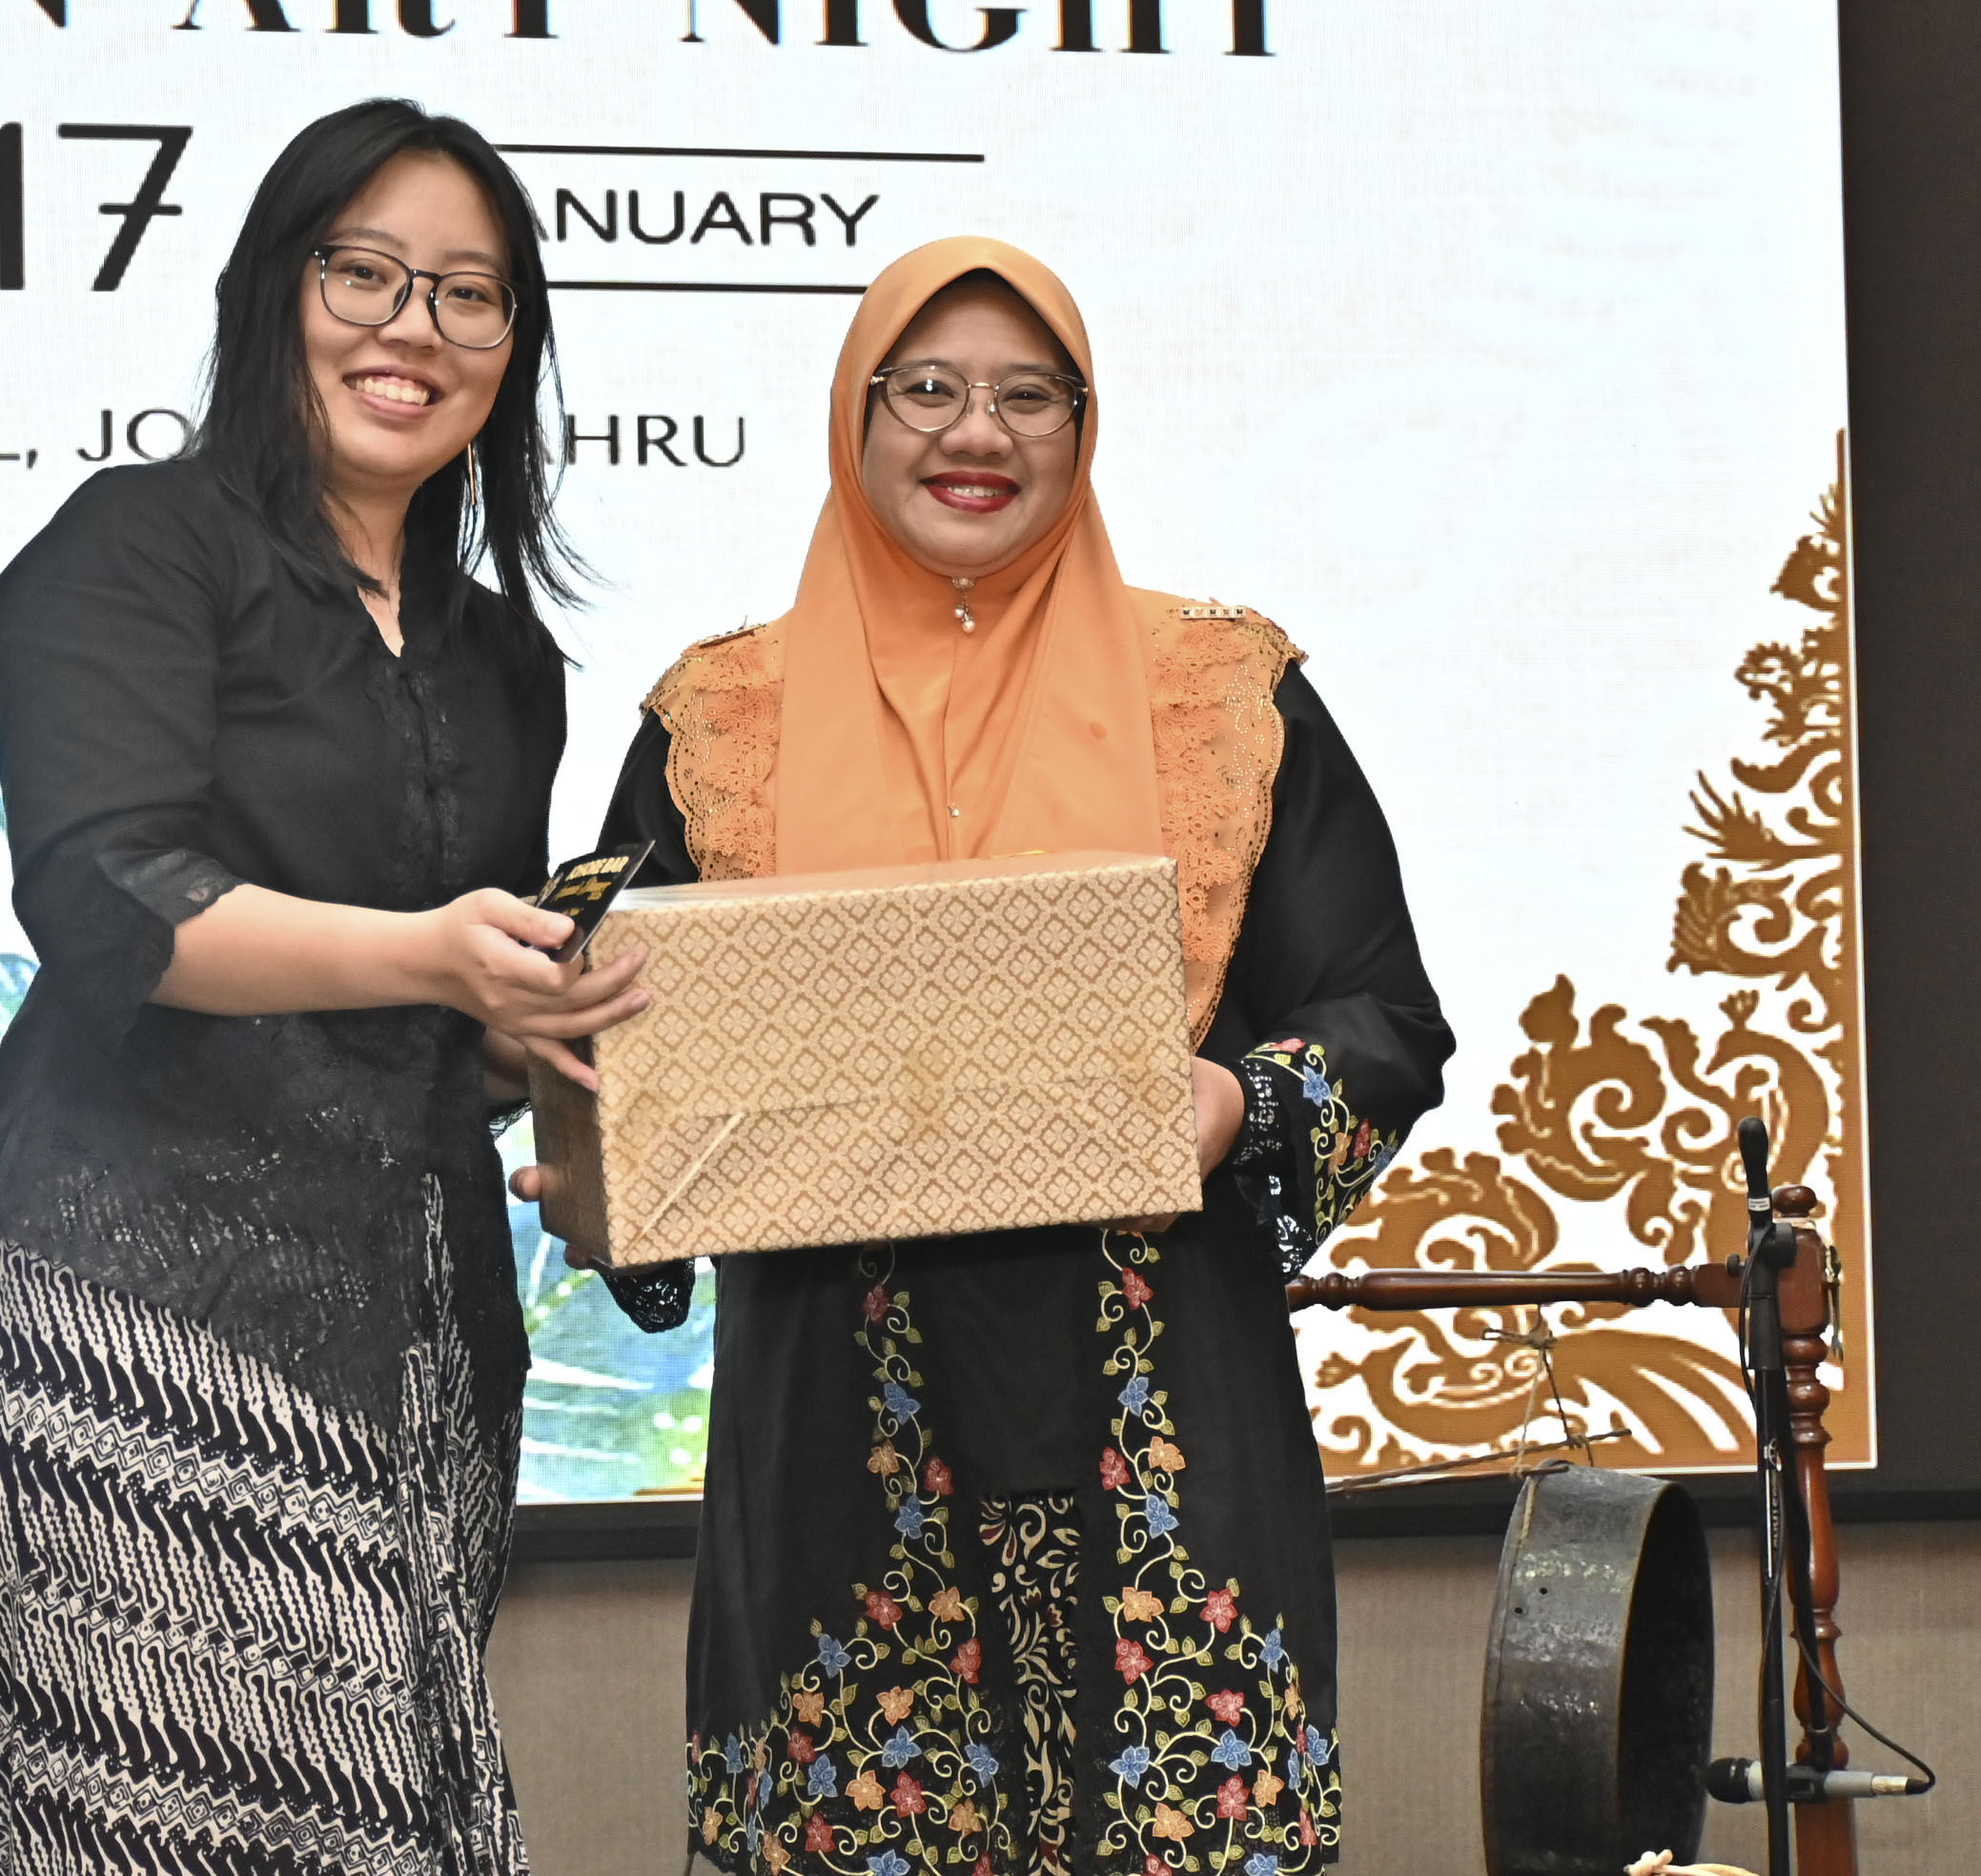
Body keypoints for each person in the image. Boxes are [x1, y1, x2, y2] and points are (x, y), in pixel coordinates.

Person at [558, 238, 1453, 1873]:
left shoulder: (1224, 696)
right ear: (857, 414)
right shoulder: (723, 719)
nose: (978, 432)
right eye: (928, 390)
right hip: (843, 1432)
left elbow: (1383, 1015)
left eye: (1030, 396)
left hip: (1162, 1408)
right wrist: (595, 1143)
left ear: (1082, 427)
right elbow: (621, 1038)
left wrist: (1232, 1101)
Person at [0, 99, 643, 1876]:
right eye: (366, 274)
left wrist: (536, 1041)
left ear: (513, 349)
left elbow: (451, 1025)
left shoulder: (506, 654)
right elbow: (115, 899)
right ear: (273, 292)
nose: (414, 329)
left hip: (417, 1330)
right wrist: (428, 953)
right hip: (132, 1325)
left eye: (469, 294)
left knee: (414, 1821)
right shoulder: (139, 544)